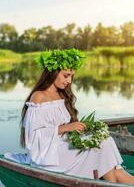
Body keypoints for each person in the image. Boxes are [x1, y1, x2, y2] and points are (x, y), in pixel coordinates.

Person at [5, 49, 134, 184]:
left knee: (106, 143)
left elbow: (67, 128)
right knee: (102, 145)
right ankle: (110, 184)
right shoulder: (39, 97)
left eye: (71, 76)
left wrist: (79, 129)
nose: (69, 80)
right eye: (66, 75)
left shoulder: (61, 94)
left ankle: (111, 183)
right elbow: (33, 137)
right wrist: (65, 128)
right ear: (53, 73)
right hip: (50, 156)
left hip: (65, 145)